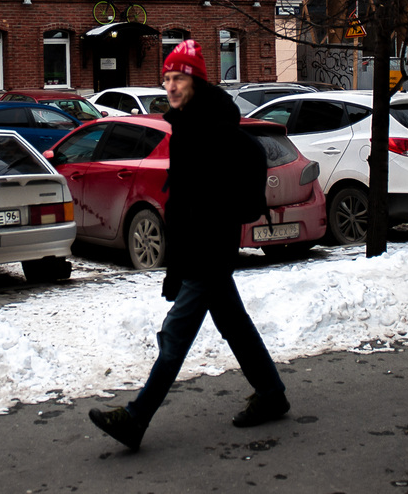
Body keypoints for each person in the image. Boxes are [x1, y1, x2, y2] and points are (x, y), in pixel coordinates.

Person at [88, 39, 289, 451]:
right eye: (166, 78)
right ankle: (271, 394)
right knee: (235, 325)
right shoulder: (185, 125)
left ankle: (135, 418)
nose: (171, 85)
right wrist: (175, 262)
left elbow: (207, 200)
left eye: (179, 77)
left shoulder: (212, 129)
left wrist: (191, 254)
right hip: (197, 249)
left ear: (196, 79)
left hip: (209, 250)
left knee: (175, 336)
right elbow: (181, 200)